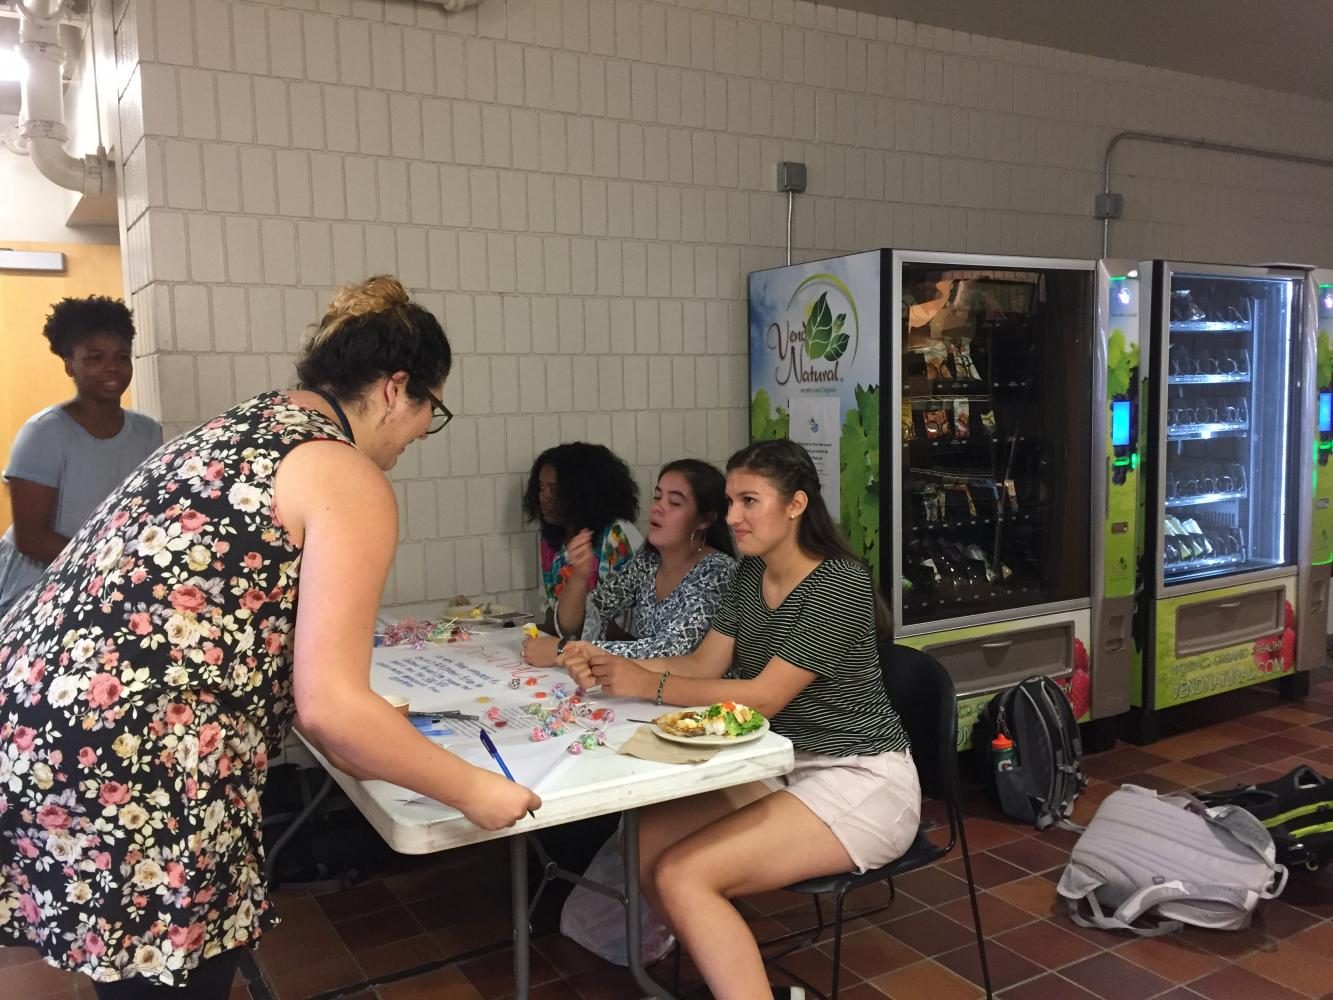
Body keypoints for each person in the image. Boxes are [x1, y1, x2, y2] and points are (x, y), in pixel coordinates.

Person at [0, 276, 540, 999]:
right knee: (173, 984)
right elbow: (331, 712)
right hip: (137, 755)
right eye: (427, 412)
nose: (417, 434)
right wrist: (477, 791)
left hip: (39, 722)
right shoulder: (343, 471)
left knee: (130, 978)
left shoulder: (235, 428)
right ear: (394, 388)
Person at [562, 439, 919, 1000]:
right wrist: (615, 665)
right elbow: (704, 663)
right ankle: (737, 982)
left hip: (858, 777)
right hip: (777, 765)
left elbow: (764, 698)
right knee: (646, 840)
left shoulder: (838, 583)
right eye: (730, 502)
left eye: (749, 501)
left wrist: (646, 683)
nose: (733, 518)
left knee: (684, 874)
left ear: (797, 505)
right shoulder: (749, 576)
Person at [0, 296, 162, 617]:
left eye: (121, 356)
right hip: (38, 583)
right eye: (95, 357)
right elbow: (30, 537)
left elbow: (147, 511)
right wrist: (102, 565)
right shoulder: (43, 433)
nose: (111, 367)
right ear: (69, 363)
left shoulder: (148, 432)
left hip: (106, 577)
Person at [522, 459, 736, 667]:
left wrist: (567, 650)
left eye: (675, 503)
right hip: (645, 690)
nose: (658, 508)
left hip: (694, 697)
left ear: (705, 519)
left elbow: (670, 649)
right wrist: (579, 576)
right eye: (657, 497)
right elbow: (586, 616)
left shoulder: (716, 570)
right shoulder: (650, 559)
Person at [521, 442, 641, 628]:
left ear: (582, 492)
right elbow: (550, 611)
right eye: (542, 488)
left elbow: (627, 625)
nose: (543, 497)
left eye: (554, 489)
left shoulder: (616, 536)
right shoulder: (551, 539)